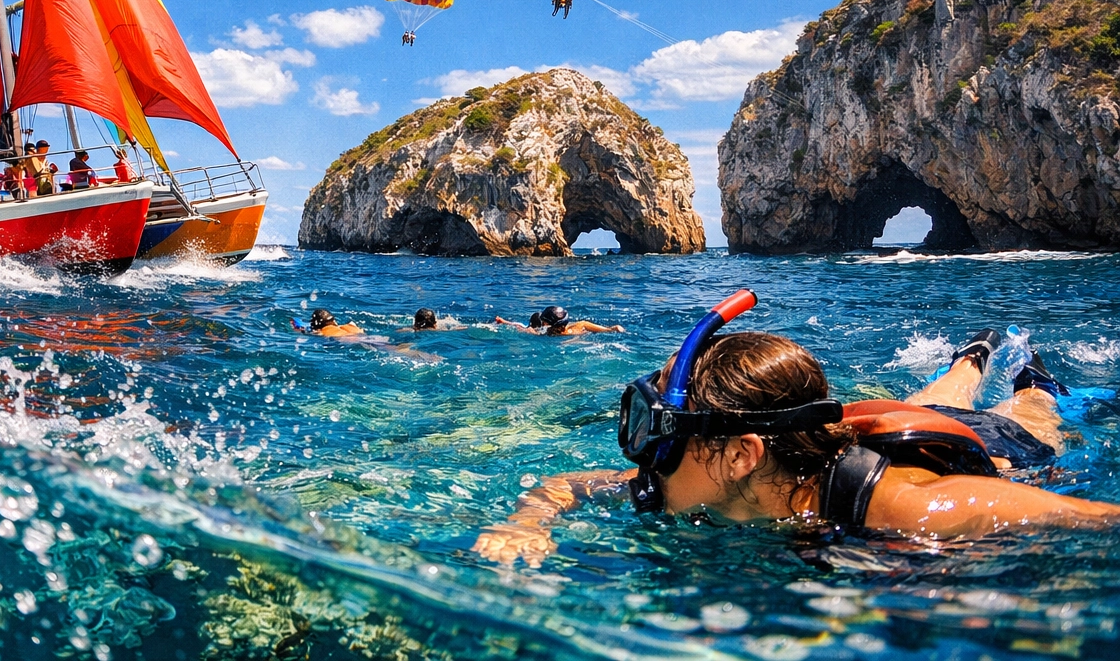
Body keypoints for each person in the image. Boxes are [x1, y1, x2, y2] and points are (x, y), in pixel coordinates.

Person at [473, 297, 1120, 567]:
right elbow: (564, 486)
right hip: (886, 422)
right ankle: (971, 356)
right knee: (935, 397)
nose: (645, 461)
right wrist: (525, 523)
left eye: (660, 437)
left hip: (994, 455)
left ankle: (1031, 377)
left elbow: (1093, 518)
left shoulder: (906, 506)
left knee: (1027, 414)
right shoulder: (701, 475)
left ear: (739, 456)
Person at [539, 305, 624, 336]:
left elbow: (607, 330)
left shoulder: (577, 328)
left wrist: (613, 329)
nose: (542, 324)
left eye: (545, 322)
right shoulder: (548, 332)